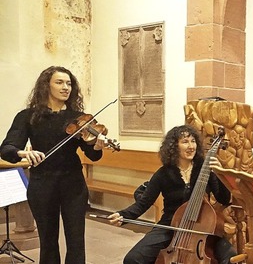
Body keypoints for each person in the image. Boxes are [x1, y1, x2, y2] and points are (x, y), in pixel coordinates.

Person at [0, 66, 105, 263]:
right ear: (46, 85)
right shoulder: (27, 116)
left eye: (69, 83)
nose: (66, 87)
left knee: (76, 240)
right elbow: (7, 147)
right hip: (42, 183)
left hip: (73, 184)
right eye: (59, 82)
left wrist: (97, 146)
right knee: (48, 241)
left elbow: (92, 155)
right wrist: (22, 153)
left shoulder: (80, 119)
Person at [107, 125, 236, 264]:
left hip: (202, 230)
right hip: (170, 226)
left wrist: (220, 173)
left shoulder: (205, 169)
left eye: (193, 141)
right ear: (174, 146)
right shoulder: (163, 173)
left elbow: (223, 199)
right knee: (133, 259)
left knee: (229, 257)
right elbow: (144, 202)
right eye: (185, 142)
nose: (191, 146)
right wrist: (123, 215)